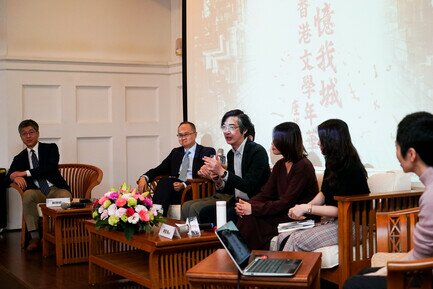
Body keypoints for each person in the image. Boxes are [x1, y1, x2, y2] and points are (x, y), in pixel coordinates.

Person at [343, 112, 433, 289]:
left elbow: (420, 257)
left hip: (426, 275)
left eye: (397, 147)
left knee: (353, 284)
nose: (396, 153)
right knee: (364, 273)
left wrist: (385, 270)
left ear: (411, 154)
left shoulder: (430, 196)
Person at [283, 119, 370, 251]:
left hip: (353, 225)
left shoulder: (351, 168)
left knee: (295, 240)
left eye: (321, 139)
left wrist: (307, 208)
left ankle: (292, 271)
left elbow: (339, 209)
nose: (318, 143)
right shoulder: (332, 162)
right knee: (283, 235)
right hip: (336, 221)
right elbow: (324, 194)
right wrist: (304, 207)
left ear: (332, 140)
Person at [235, 122, 319, 250]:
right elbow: (266, 193)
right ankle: (244, 260)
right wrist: (245, 205)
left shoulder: (303, 166)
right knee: (247, 217)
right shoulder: (280, 164)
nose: (272, 144)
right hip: (282, 211)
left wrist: (253, 208)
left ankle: (249, 261)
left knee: (251, 220)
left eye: (276, 140)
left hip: (298, 216)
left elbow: (286, 202)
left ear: (286, 141)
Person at [181, 109, 270, 222]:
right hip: (236, 201)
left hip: (254, 203)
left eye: (232, 127)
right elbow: (230, 188)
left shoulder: (257, 151)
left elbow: (249, 186)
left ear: (244, 130)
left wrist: (222, 171)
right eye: (224, 127)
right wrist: (218, 179)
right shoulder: (231, 154)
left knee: (227, 215)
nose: (227, 132)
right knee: (205, 213)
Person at [6, 119, 71, 252]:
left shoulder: (50, 148)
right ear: (21, 137)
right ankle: (35, 237)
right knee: (28, 195)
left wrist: (24, 173)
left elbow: (49, 168)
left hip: (55, 189)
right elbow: (8, 177)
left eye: (31, 132)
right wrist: (14, 175)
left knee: (65, 195)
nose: (28, 136)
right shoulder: (19, 158)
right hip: (38, 192)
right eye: (24, 134)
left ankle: (61, 234)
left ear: (38, 133)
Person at [137, 121, 215, 216]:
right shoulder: (175, 152)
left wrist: (184, 184)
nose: (183, 138)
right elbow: (159, 169)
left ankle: (156, 217)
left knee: (165, 183)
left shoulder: (206, 151)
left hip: (194, 189)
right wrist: (145, 177)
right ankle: (157, 216)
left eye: (186, 134)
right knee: (164, 182)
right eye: (180, 135)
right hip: (174, 189)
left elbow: (206, 176)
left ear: (195, 135)